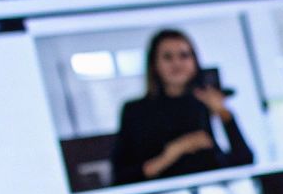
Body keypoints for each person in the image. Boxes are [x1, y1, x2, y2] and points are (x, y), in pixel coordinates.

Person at [109, 29, 254, 185]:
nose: (176, 64)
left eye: (184, 55)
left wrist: (223, 113)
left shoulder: (205, 104)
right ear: (154, 64)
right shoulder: (136, 111)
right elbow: (121, 176)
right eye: (167, 57)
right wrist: (173, 153)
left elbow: (244, 161)